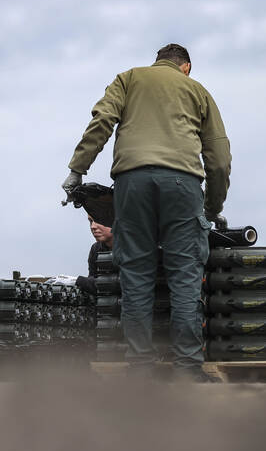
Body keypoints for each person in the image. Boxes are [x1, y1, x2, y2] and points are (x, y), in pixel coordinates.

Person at [61, 44, 231, 379]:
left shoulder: (128, 79)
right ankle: (187, 369)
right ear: (186, 67)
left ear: (158, 61)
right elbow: (219, 159)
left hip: (132, 183)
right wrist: (211, 208)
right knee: (185, 276)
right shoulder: (198, 91)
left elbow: (102, 122)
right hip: (182, 185)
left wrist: (77, 168)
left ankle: (140, 368)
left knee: (135, 276)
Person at [75, 215, 113, 295]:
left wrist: (77, 280)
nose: (93, 226)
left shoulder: (135, 248)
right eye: (91, 221)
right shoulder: (96, 249)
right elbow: (92, 282)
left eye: (98, 220)